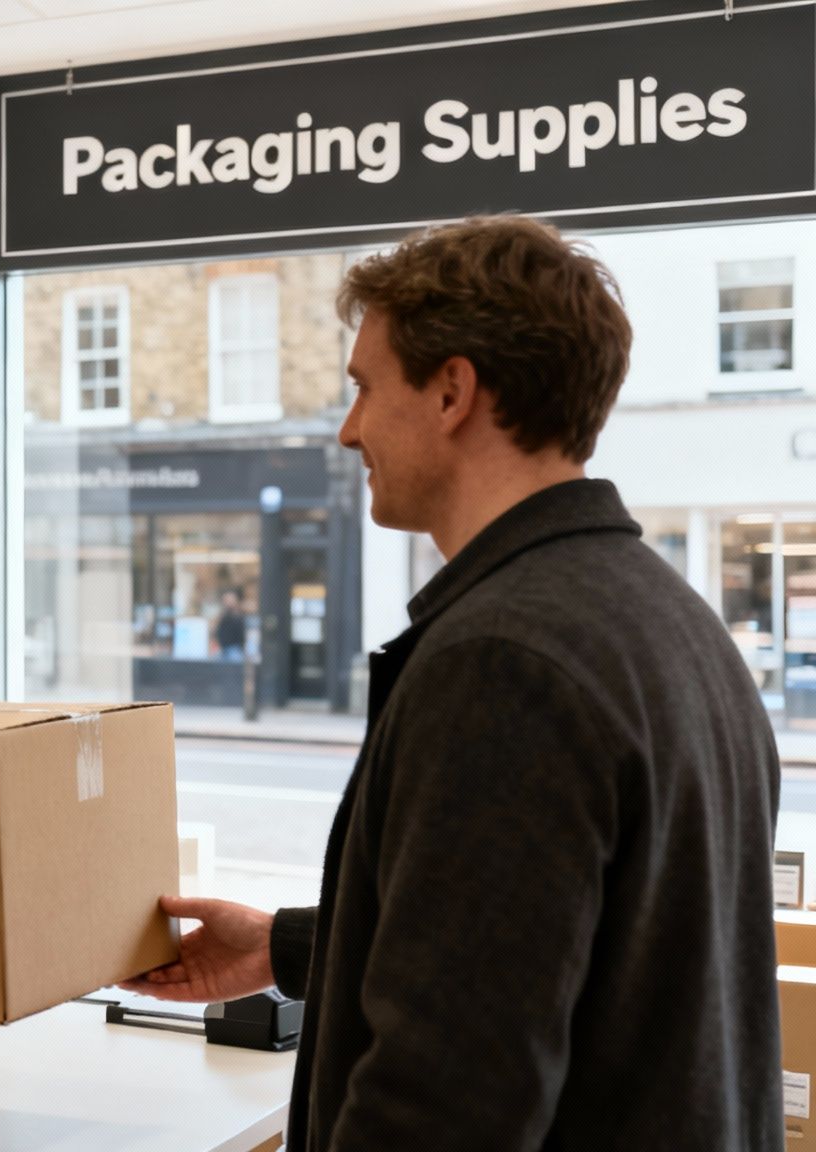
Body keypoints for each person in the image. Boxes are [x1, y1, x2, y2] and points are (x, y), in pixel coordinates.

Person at [136, 217, 783, 1150]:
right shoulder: (673, 623)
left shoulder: (505, 664)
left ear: (452, 392)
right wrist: (284, 947)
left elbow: (445, 1097)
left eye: (364, 387)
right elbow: (559, 947)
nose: (350, 429)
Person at [213, 590, 247, 662]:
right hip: (222, 648)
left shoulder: (238, 615)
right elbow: (217, 631)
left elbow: (241, 634)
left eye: (229, 600)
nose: (227, 602)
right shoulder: (222, 615)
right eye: (225, 600)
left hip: (234, 649)